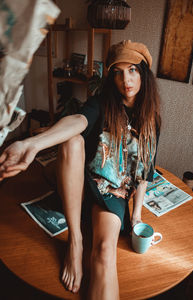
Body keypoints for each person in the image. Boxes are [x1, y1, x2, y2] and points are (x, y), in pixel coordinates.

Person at [0, 40, 161, 299]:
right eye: (117, 72)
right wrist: (30, 144)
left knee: (105, 251)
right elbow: (79, 120)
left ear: (144, 73)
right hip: (77, 180)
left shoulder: (151, 120)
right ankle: (75, 242)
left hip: (110, 193)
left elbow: (143, 173)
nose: (126, 80)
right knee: (72, 140)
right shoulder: (102, 102)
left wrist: (138, 216)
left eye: (132, 70)